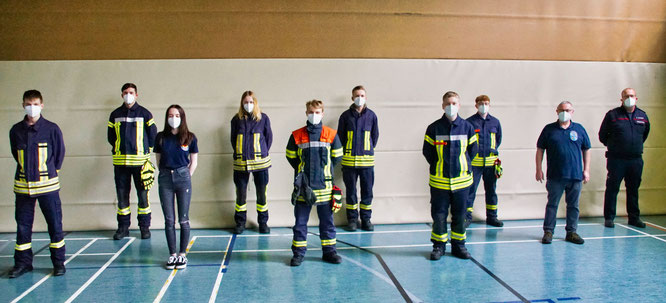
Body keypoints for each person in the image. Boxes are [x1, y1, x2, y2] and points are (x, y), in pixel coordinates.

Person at [9, 90, 66, 278]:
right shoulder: (16, 130)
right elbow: (16, 155)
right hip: (23, 188)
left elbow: (59, 154)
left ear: (42, 105)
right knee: (23, 227)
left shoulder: (51, 129)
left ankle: (58, 263)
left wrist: (51, 173)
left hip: (48, 188)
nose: (31, 107)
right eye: (28, 104)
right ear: (23, 105)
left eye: (35, 104)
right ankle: (23, 264)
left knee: (55, 225)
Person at [285, 100, 343, 266]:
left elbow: (337, 156)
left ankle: (330, 252)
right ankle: (298, 254)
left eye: (317, 112)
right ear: (306, 113)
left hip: (325, 187)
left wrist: (326, 170)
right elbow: (291, 157)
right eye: (311, 112)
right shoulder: (296, 135)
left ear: (322, 113)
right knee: (300, 223)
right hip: (304, 187)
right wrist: (302, 172)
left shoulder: (331, 134)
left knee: (327, 222)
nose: (314, 115)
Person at [423, 91, 478, 260]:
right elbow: (428, 153)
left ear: (459, 106)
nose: (451, 106)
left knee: (460, 216)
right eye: (448, 103)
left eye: (454, 103)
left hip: (462, 183)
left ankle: (459, 246)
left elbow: (473, 151)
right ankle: (439, 247)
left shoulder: (468, 127)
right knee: (439, 216)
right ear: (442, 106)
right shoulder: (434, 128)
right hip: (439, 183)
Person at [107, 83, 157, 240]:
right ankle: (123, 228)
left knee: (143, 197)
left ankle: (144, 227)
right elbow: (110, 137)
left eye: (131, 92)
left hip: (140, 164)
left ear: (136, 95)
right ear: (121, 95)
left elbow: (153, 135)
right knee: (122, 197)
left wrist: (145, 152)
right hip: (120, 164)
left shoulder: (145, 114)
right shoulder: (115, 114)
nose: (128, 95)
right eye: (125, 92)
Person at [536, 101, 590, 245]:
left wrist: (586, 170)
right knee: (552, 204)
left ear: (572, 112)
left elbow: (586, 149)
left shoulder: (579, 129)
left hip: (575, 176)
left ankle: (571, 232)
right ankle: (548, 231)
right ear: (557, 111)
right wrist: (538, 169)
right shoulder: (549, 129)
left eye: (567, 110)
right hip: (555, 176)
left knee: (573, 206)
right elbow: (540, 149)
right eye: (561, 110)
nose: (564, 112)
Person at [599, 88, 650, 228]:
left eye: (632, 95)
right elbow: (602, 135)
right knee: (612, 188)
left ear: (636, 98)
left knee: (633, 189)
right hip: (616, 160)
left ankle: (634, 218)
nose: (629, 98)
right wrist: (615, 146)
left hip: (635, 160)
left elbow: (645, 134)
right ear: (621, 99)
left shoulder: (642, 116)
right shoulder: (612, 115)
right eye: (626, 96)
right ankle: (609, 218)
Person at [155, 105, 198, 270]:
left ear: (182, 117)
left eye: (177, 115)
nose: (174, 118)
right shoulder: (160, 137)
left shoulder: (190, 137)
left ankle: (182, 254)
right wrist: (166, 173)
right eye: (171, 115)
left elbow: (194, 161)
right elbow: (158, 160)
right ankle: (172, 254)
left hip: (183, 178)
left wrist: (186, 176)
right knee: (169, 220)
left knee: (183, 219)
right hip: (165, 178)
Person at [230, 91, 273, 234]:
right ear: (242, 104)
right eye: (245, 102)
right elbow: (233, 140)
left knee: (262, 194)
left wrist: (261, 153)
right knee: (240, 195)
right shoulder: (236, 120)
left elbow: (268, 139)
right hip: (241, 164)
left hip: (261, 164)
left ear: (255, 103)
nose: (248, 105)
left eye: (250, 102)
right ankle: (240, 223)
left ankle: (263, 223)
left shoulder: (264, 119)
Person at [337, 85, 379, 231]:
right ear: (352, 97)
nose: (359, 98)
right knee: (351, 192)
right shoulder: (345, 116)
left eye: (361, 95)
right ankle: (352, 220)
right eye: (356, 95)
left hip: (367, 163)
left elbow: (375, 136)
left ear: (365, 97)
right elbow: (340, 137)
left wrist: (367, 150)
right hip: (349, 163)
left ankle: (366, 219)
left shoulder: (372, 116)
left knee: (367, 191)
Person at [465, 95, 503, 227]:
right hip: (475, 164)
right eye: (481, 103)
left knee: (491, 190)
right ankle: (466, 217)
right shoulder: (469, 122)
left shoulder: (495, 122)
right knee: (470, 191)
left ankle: (492, 217)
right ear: (476, 105)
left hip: (491, 164)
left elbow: (498, 140)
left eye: (486, 103)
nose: (484, 105)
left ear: (490, 105)